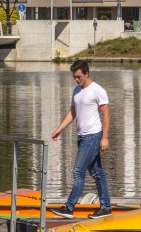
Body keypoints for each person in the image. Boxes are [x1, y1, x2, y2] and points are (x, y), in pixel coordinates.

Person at [50, 60, 111, 218]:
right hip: (82, 137)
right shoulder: (77, 90)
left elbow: (106, 114)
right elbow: (72, 112)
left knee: (78, 171)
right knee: (97, 173)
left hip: (93, 136)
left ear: (86, 73)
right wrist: (59, 129)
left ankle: (69, 207)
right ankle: (105, 208)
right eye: (74, 77)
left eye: (79, 76)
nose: (76, 80)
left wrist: (104, 138)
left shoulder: (97, 90)